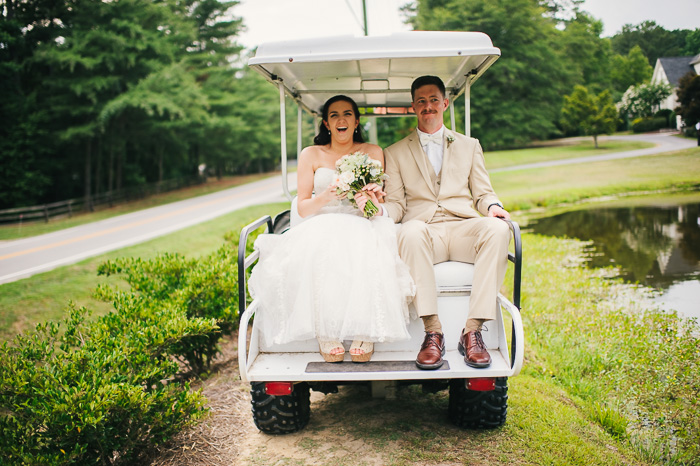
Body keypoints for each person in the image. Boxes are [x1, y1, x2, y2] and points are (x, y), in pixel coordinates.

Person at [357, 76, 511, 370]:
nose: (428, 107)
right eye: (421, 101)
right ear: (414, 107)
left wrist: (493, 207)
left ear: (445, 103)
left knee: (498, 228)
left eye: (433, 100)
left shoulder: (469, 145)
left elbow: (483, 192)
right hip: (425, 234)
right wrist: (378, 210)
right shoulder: (395, 152)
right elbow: (399, 206)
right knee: (411, 231)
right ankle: (433, 332)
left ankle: (473, 331)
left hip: (463, 228)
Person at [248, 95, 414, 363]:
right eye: (334, 115)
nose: (341, 120)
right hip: (322, 220)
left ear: (356, 121)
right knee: (321, 249)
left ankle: (366, 331)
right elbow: (302, 208)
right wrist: (326, 195)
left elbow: (377, 201)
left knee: (368, 246)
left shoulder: (372, 152)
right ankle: (326, 332)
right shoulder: (311, 154)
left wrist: (368, 199)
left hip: (361, 220)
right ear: (326, 123)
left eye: (347, 114)